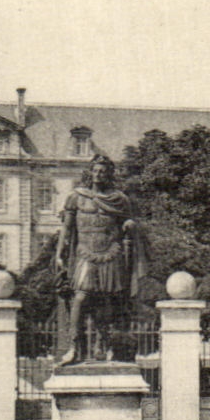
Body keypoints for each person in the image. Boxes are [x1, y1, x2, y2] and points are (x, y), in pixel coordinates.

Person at [54, 154, 147, 364]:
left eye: (103, 171)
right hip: (85, 252)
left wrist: (129, 224)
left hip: (111, 252)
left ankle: (102, 346)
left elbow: (127, 222)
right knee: (80, 297)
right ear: (90, 172)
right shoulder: (76, 197)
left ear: (109, 175)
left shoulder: (119, 199)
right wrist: (59, 253)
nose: (98, 175)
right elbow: (67, 229)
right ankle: (74, 347)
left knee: (106, 302)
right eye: (95, 170)